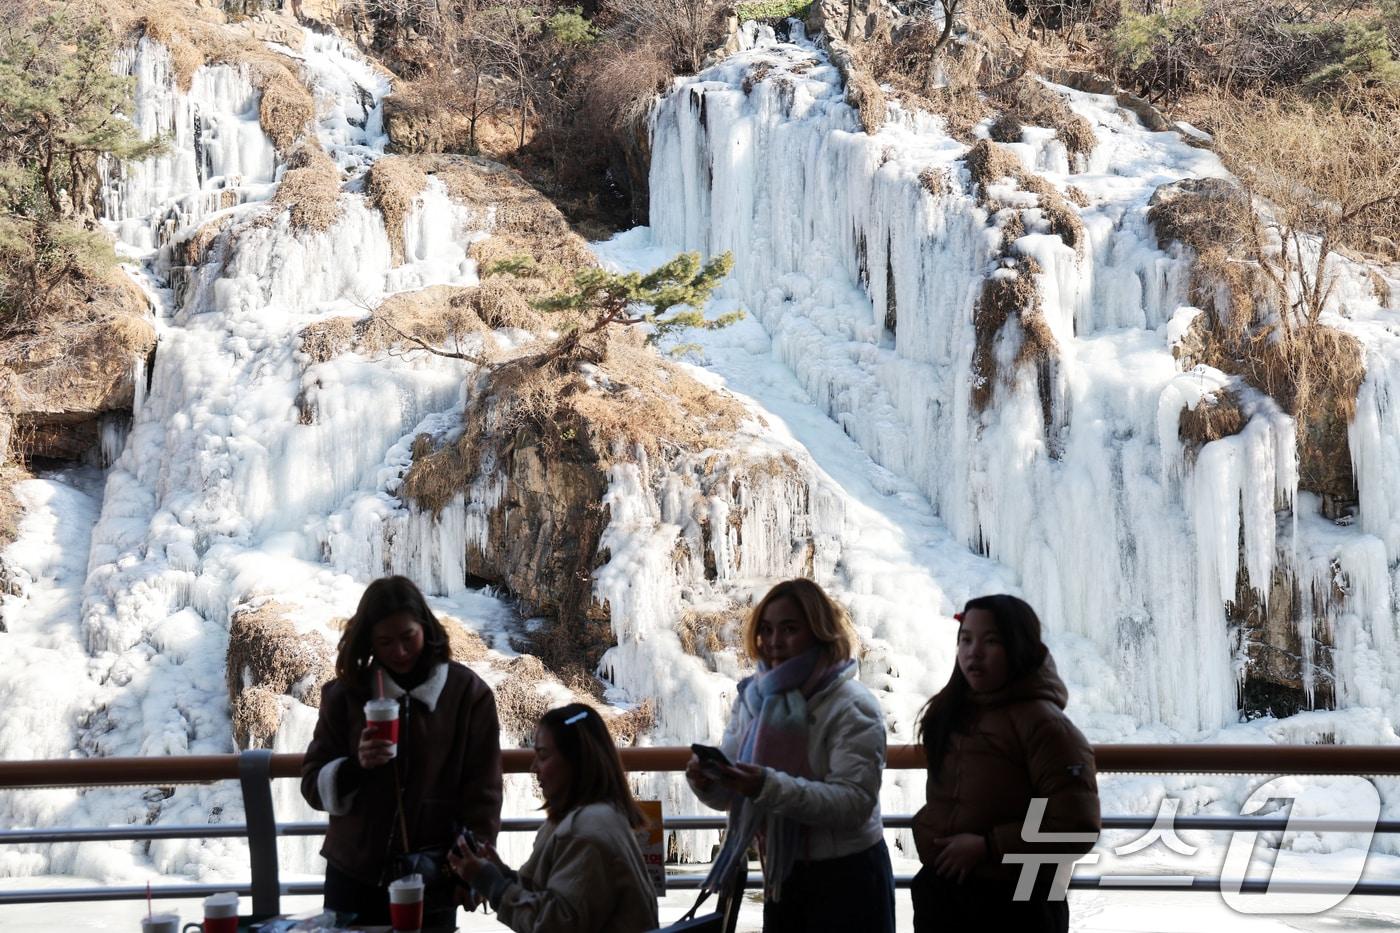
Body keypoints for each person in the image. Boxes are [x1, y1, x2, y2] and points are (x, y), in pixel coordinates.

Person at [685, 578, 894, 933]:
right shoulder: (753, 699)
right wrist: (707, 781)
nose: (773, 642)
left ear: (819, 632)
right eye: (765, 630)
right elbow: (733, 794)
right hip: (782, 877)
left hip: (848, 879)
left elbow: (854, 804)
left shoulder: (853, 706)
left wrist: (767, 787)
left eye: (789, 629)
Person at [301, 575, 503, 930]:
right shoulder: (345, 695)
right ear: (369, 642)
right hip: (355, 873)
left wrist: (473, 867)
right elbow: (312, 785)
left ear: (425, 627)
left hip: (436, 875)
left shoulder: (467, 695)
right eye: (385, 641)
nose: (399, 651)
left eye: (408, 637)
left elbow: (483, 792)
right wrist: (355, 767)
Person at [911, 594, 1101, 933]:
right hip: (947, 894)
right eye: (965, 639)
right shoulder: (956, 712)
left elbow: (1076, 825)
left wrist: (989, 846)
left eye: (991, 641)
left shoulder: (1045, 725)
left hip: (1018, 903)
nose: (974, 652)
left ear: (1018, 647)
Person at [448, 702, 659, 933]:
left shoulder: (583, 833)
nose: (533, 768)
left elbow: (552, 926)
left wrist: (492, 884)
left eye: (543, 755)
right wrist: (502, 874)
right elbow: (554, 895)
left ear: (577, 761)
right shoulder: (601, 815)